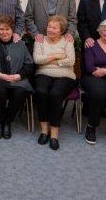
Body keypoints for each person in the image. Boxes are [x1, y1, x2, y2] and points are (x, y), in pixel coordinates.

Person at [0, 14, 34, 139]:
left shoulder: (21, 44)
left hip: (17, 79)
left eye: (7, 29)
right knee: (0, 90)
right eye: (1, 29)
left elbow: (29, 65)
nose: (4, 32)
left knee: (21, 91)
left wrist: (19, 75)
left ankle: (7, 122)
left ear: (12, 30)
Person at [32, 14, 75, 150]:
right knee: (41, 92)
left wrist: (49, 59)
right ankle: (44, 130)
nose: (50, 29)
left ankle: (54, 134)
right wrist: (58, 56)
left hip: (66, 75)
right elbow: (37, 60)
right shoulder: (39, 40)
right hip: (43, 73)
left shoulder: (68, 40)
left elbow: (71, 61)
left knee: (56, 94)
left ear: (61, 30)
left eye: (54, 28)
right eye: (49, 26)